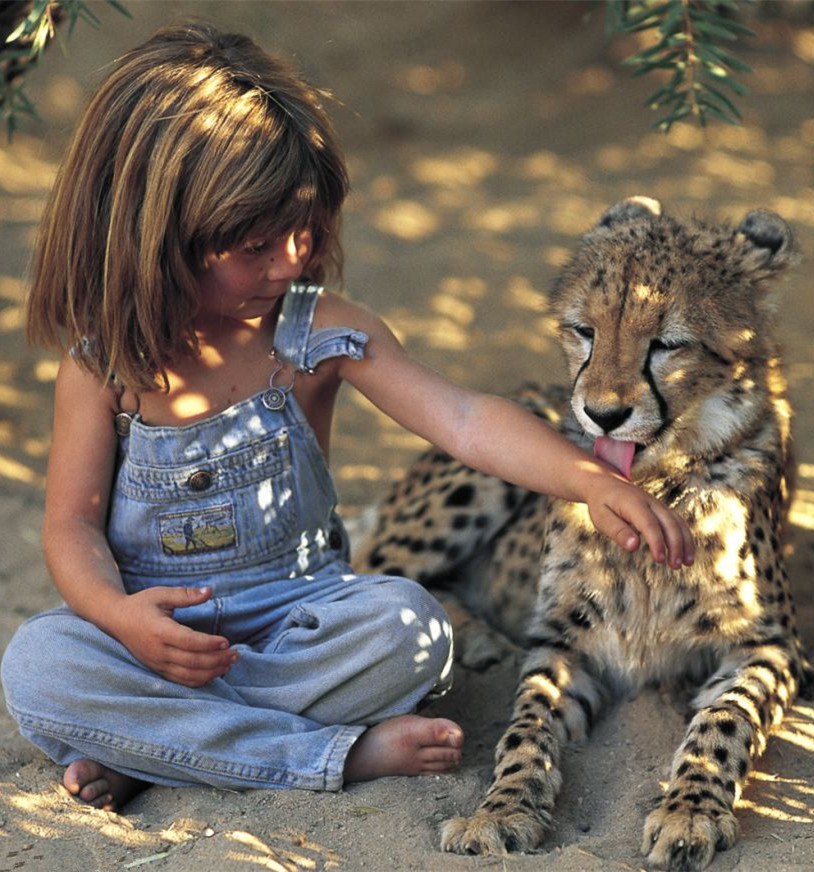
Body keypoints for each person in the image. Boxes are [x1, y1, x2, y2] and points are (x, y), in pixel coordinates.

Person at [0, 23, 694, 812]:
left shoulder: (318, 330)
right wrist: (118, 618)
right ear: (153, 240)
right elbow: (72, 528)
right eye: (257, 244)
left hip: (300, 624)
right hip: (151, 642)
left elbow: (462, 418)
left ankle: (164, 748)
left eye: (306, 230)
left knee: (413, 630)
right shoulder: (103, 368)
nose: (292, 259)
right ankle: (329, 753)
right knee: (39, 662)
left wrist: (585, 480)